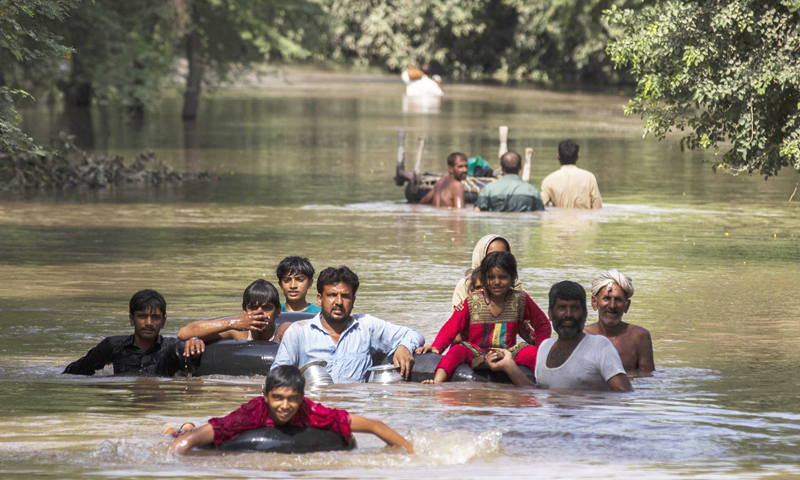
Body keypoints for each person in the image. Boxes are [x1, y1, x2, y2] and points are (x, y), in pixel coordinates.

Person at [168, 365, 414, 455]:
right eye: (277, 398)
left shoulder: (311, 412)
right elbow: (193, 440)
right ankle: (180, 426)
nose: (285, 406)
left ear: (302, 398)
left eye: (292, 399)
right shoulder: (251, 412)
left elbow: (373, 425)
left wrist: (411, 452)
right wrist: (168, 456)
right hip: (215, 434)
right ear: (265, 397)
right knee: (185, 433)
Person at [271, 266, 425, 383]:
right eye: (332, 295)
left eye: (345, 296)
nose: (338, 302)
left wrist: (404, 346)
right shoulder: (299, 331)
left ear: (353, 301)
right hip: (315, 410)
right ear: (319, 299)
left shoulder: (366, 326)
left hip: (355, 410)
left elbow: (413, 334)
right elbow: (277, 375)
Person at [416, 251, 551, 383]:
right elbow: (452, 326)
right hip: (476, 352)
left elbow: (542, 324)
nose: (496, 282)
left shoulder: (520, 299)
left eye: (503, 277)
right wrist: (436, 347)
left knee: (533, 353)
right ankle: (436, 383)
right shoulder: (473, 300)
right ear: (485, 278)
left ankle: (547, 384)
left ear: (513, 277)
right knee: (456, 351)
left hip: (510, 353)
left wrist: (540, 350)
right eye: (491, 278)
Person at [485, 281, 632, 392]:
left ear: (585, 313)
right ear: (550, 313)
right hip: (553, 431)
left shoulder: (600, 346)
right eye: (562, 308)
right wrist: (509, 366)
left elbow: (624, 394)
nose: (568, 315)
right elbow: (539, 394)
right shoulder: (544, 347)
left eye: (574, 308)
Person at [63, 290, 204, 377]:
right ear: (132, 319)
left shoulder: (170, 348)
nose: (149, 323)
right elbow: (77, 371)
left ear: (163, 322)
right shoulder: (112, 346)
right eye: (142, 316)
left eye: (155, 317)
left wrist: (194, 344)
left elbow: (189, 358)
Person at [177, 280, 290, 344]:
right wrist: (234, 322)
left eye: (266, 308)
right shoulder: (238, 333)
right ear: (244, 311)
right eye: (253, 308)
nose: (259, 314)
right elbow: (183, 333)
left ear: (278, 312)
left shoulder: (283, 331)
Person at [584, 270, 655, 372]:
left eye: (618, 300)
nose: (612, 306)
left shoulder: (639, 337)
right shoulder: (582, 336)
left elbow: (646, 381)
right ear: (594, 302)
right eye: (606, 298)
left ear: (627, 305)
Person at [450, 234, 523, 313]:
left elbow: (531, 317)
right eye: (492, 256)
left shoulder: (515, 285)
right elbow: (457, 320)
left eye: (503, 254)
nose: (498, 259)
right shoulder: (466, 284)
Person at [540, 140, 602, 209]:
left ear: (558, 157)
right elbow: (597, 206)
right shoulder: (589, 178)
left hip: (559, 219)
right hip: (583, 219)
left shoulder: (548, 181)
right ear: (577, 157)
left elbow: (542, 207)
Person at [473, 151, 544, 212]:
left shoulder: (488, 189)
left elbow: (477, 211)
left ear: (501, 168)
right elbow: (540, 213)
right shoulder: (533, 191)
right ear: (521, 166)